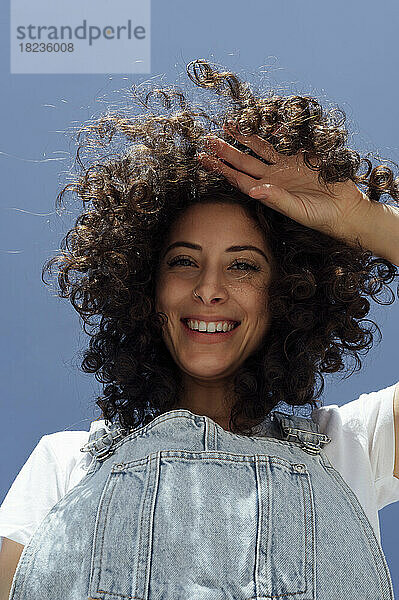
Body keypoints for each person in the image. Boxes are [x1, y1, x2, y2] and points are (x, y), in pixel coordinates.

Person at [1, 59, 399, 599]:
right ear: (146, 287)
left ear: (287, 294)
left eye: (243, 265)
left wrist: (361, 220)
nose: (209, 288)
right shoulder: (64, 464)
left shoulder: (349, 447)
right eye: (184, 261)